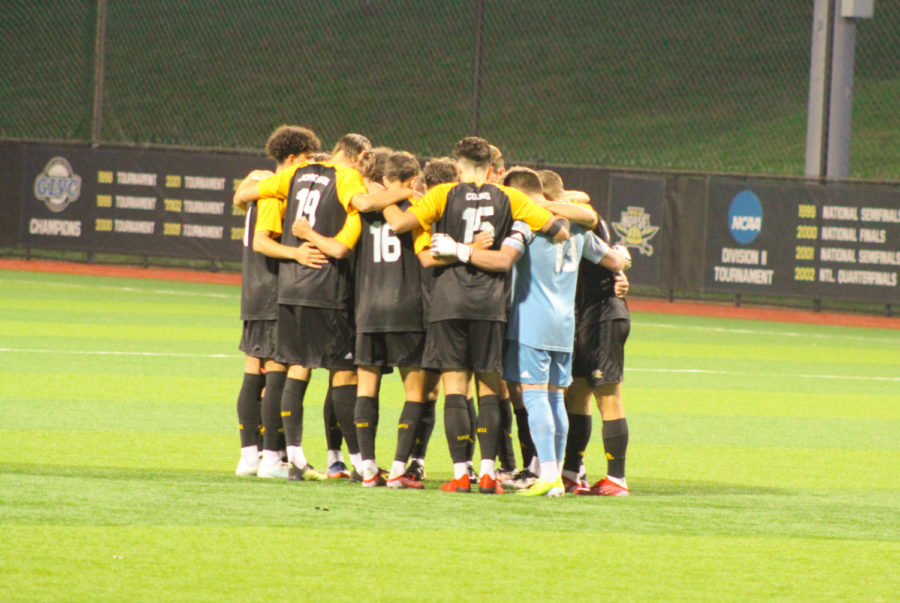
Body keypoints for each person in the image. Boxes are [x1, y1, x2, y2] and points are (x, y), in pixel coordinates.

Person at [380, 136, 570, 494]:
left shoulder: (442, 194)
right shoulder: (510, 198)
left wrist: (385, 197)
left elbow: (400, 225)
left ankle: (459, 474)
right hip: (490, 303)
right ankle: (487, 473)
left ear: (459, 163)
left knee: (455, 387)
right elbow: (558, 231)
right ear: (490, 166)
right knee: (488, 387)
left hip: (449, 301)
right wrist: (519, 229)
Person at [234, 132, 414, 481]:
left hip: (288, 288)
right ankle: (360, 462)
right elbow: (355, 219)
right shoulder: (346, 180)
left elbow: (246, 195)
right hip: (324, 288)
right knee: (342, 372)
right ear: (360, 156)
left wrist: (253, 179)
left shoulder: (295, 175)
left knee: (289, 369)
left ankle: (282, 457)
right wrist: (406, 193)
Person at [292, 150, 432, 489]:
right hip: (407, 310)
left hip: (368, 311)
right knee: (415, 392)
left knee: (366, 388)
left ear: (384, 180)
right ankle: (399, 468)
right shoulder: (419, 210)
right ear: (412, 181)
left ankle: (368, 468)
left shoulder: (361, 211)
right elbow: (426, 258)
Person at [495, 167, 629, 497]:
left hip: (533, 322)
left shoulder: (527, 224)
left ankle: (550, 476)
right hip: (566, 324)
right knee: (556, 398)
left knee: (536, 395)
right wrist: (625, 258)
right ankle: (557, 476)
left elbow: (503, 260)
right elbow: (614, 260)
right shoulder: (579, 230)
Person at [232, 125, 323, 479]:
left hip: (255, 289)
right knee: (273, 375)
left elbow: (241, 197)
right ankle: (272, 459)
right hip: (271, 290)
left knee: (254, 371)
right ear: (291, 159)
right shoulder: (276, 194)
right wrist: (297, 254)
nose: (309, 166)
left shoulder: (258, 186)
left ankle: (250, 457)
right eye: (305, 159)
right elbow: (262, 242)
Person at [562, 213, 633, 496]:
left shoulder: (581, 219)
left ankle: (616, 478)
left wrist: (622, 262)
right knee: (577, 394)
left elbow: (613, 254)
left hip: (603, 317)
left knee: (608, 395)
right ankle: (570, 471)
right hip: (583, 318)